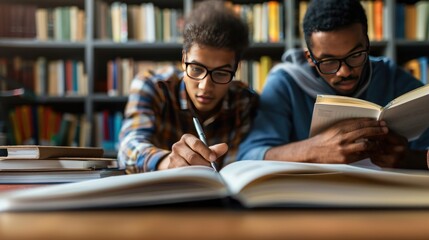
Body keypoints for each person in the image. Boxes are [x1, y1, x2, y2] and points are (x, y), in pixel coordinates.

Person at [238, 0, 429, 169]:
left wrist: (409, 159)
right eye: (328, 61)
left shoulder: (391, 76)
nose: (344, 72)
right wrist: (313, 150)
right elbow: (249, 155)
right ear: (309, 58)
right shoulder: (284, 83)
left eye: (355, 55)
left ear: (367, 44)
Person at [118, 0, 258, 173]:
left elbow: (243, 164)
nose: (205, 85)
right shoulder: (153, 86)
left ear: (237, 68)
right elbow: (128, 147)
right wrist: (169, 162)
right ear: (183, 60)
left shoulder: (244, 100)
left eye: (221, 73)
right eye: (197, 69)